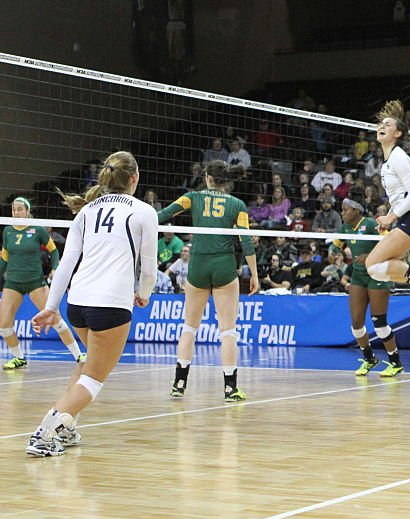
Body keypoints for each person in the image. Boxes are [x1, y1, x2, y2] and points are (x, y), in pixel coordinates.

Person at [27, 151, 158, 457]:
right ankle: (45, 432)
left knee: (88, 365)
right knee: (96, 377)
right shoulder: (143, 211)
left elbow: (68, 261)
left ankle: (68, 426)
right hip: (110, 304)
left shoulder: (87, 211)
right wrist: (145, 293)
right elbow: (149, 269)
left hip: (78, 304)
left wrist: (52, 306)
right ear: (134, 179)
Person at [158, 161, 259, 402]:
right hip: (224, 265)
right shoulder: (237, 204)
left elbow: (162, 215)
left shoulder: (192, 197)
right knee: (228, 330)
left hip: (198, 265)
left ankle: (179, 384)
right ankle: (230, 388)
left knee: (189, 327)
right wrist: (254, 274)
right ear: (224, 179)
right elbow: (246, 240)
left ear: (207, 178)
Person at [364, 102, 410, 309]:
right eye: (381, 123)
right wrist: (390, 216)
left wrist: (391, 217)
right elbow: (400, 196)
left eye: (387, 125)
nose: (382, 126)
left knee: (372, 264)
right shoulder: (388, 160)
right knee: (380, 268)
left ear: (397, 133)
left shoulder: (398, 157)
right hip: (406, 219)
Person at [1, 197, 84, 370]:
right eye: (13, 209)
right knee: (3, 324)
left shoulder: (38, 229)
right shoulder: (7, 231)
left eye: (19, 209)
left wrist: (54, 268)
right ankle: (19, 358)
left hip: (35, 282)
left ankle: (78, 355)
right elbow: (4, 258)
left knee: (55, 319)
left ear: (27, 211)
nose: (16, 212)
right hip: (13, 282)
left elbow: (53, 251)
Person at [330, 197, 403, 377]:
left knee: (379, 322)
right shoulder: (346, 227)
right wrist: (333, 253)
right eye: (342, 209)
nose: (342, 212)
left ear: (356, 210)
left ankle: (395, 362)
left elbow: (391, 244)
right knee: (356, 324)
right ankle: (369, 359)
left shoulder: (370, 224)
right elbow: (336, 245)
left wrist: (370, 255)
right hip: (358, 276)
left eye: (345, 209)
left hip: (376, 274)